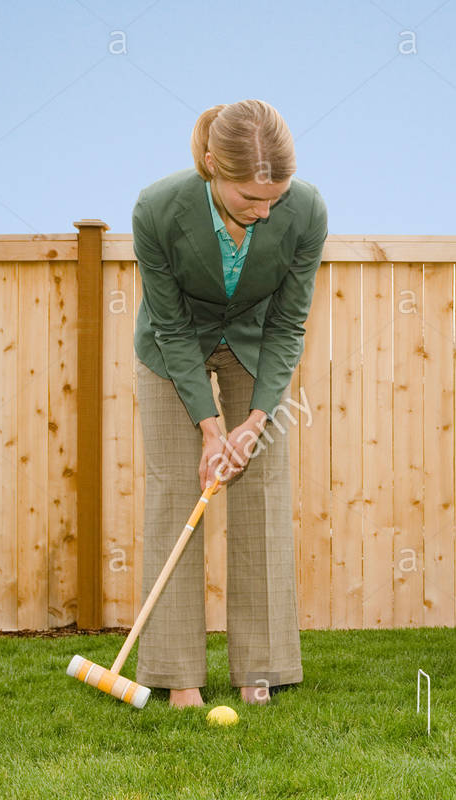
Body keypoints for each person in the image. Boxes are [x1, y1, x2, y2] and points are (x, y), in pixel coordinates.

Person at [131, 99, 327, 707]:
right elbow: (167, 323)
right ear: (212, 166)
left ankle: (261, 669)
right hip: (174, 348)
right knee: (175, 492)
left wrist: (255, 421)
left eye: (276, 196)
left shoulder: (307, 211)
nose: (265, 210)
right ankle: (176, 674)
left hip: (256, 344)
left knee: (262, 487)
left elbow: (291, 324)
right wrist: (211, 429)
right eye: (249, 198)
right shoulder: (158, 209)